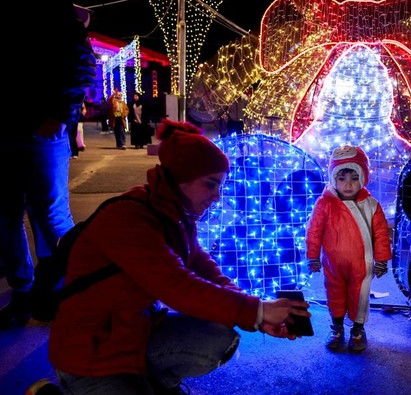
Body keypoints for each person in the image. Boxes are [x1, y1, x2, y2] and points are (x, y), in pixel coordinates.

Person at [31, 119, 311, 394]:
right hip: (91, 353)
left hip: (135, 334)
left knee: (218, 334)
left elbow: (203, 268)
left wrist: (260, 314)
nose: (217, 196)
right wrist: (256, 310)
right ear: (182, 179)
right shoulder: (128, 217)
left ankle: (158, 383)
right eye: (210, 184)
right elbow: (175, 284)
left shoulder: (176, 214)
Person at [0, 0, 95, 329]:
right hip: (8, 128)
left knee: (50, 214)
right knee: (6, 217)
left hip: (43, 127)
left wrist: (59, 114)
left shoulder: (53, 10)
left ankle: (64, 287)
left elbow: (81, 62)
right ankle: (24, 293)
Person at [305, 145, 392, 352]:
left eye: (354, 178)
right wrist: (313, 256)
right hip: (333, 264)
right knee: (334, 294)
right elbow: (314, 231)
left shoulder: (371, 205)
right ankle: (336, 327)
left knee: (359, 296)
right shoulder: (324, 204)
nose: (348, 184)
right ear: (333, 179)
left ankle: (358, 329)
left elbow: (380, 234)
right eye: (342, 178)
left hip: (361, 263)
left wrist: (381, 260)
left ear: (363, 178)